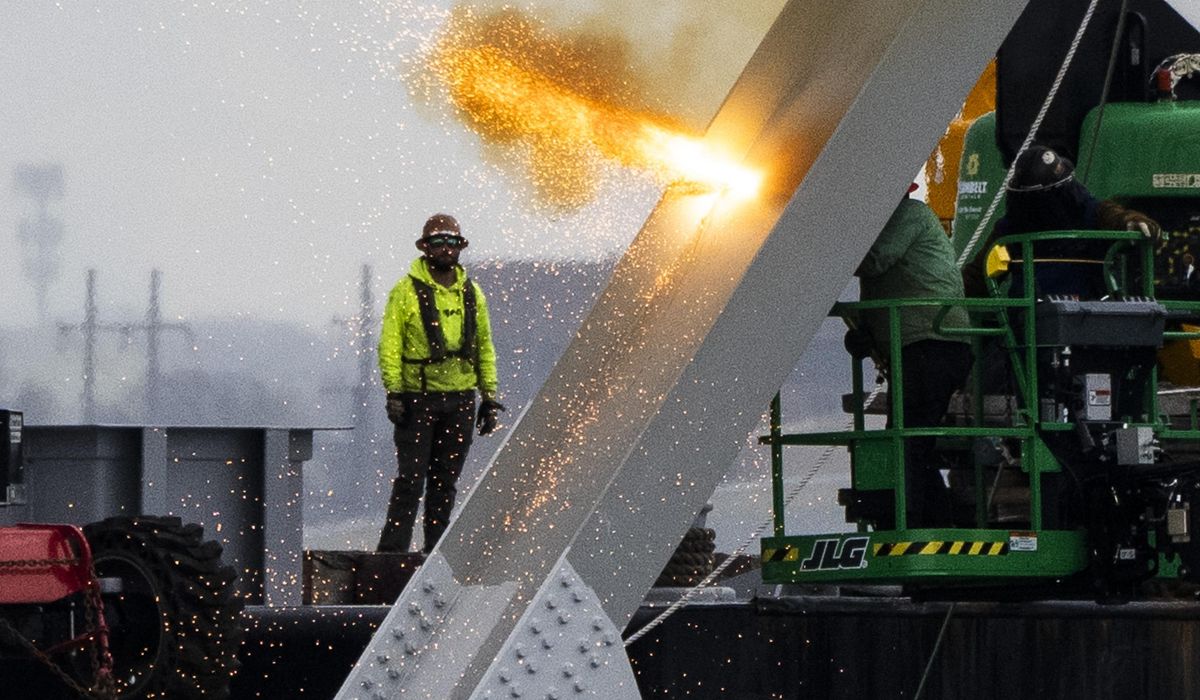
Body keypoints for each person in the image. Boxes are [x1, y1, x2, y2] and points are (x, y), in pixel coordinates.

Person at [377, 213, 504, 554]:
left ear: (460, 248)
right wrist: (394, 392)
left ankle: (435, 553)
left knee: (445, 483)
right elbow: (390, 344)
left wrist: (489, 397)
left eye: (452, 242)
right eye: (438, 242)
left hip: (460, 401)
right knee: (410, 481)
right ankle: (392, 555)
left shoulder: (472, 293)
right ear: (425, 247)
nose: (445, 248)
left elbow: (484, 345)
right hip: (418, 399)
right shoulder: (404, 292)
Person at [854, 191, 973, 528]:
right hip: (925, 344)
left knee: (908, 443)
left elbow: (874, 260)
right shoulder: (894, 218)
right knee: (909, 442)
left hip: (932, 343)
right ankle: (925, 527)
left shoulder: (908, 213)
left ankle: (916, 526)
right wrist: (866, 328)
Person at [962, 145, 1161, 299]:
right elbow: (979, 278)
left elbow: (1117, 217)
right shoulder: (1010, 230)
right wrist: (947, 290)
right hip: (1033, 326)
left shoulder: (1094, 212)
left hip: (1094, 321)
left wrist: (1134, 222)